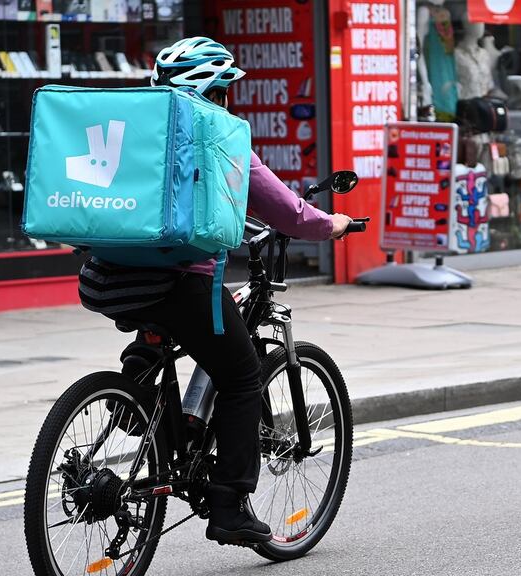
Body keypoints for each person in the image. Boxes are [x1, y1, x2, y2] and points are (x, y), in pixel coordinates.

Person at [76, 37, 353, 545]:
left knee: (167, 330)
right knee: (243, 375)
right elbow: (286, 211)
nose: (230, 101)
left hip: (105, 278)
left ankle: (137, 401)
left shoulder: (133, 129)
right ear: (215, 90)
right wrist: (331, 225)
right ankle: (229, 506)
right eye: (227, 89)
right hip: (176, 283)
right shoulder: (217, 135)